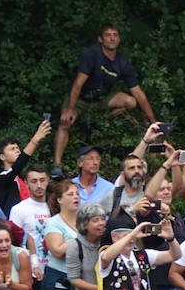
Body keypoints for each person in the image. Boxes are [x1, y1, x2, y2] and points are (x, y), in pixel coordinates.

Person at [52, 24, 157, 177]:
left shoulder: (122, 61)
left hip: (101, 99)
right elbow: (78, 84)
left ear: (119, 38)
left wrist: (152, 120)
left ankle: (104, 118)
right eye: (108, 35)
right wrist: (70, 108)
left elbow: (138, 92)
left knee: (131, 101)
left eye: (115, 35)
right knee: (65, 123)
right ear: (100, 39)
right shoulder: (91, 54)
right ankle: (57, 165)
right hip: (81, 97)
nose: (112, 38)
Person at [0, 119, 51, 214]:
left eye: (18, 148)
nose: (17, 151)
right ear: (2, 156)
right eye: (12, 149)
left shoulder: (22, 178)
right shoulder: (2, 179)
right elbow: (18, 166)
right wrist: (35, 140)